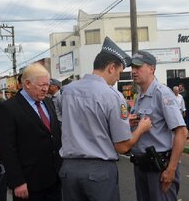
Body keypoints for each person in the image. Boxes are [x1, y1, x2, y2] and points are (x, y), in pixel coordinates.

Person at [58, 37, 152, 201]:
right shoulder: (112, 95)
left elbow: (86, 121)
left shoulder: (67, 91)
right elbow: (123, 146)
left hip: (69, 171)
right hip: (98, 173)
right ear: (111, 67)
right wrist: (141, 129)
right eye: (119, 72)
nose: (118, 78)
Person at [0, 63, 62, 201]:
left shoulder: (48, 102)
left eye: (48, 84)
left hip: (54, 179)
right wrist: (18, 182)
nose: (46, 89)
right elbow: (7, 149)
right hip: (29, 184)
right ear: (27, 83)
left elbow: (54, 135)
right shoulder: (8, 108)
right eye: (41, 85)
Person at [130, 50, 188, 201]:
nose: (134, 71)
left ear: (151, 68)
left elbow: (181, 132)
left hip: (159, 169)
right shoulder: (140, 96)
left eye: (138, 67)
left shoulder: (162, 93)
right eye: (132, 68)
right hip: (141, 166)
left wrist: (171, 169)